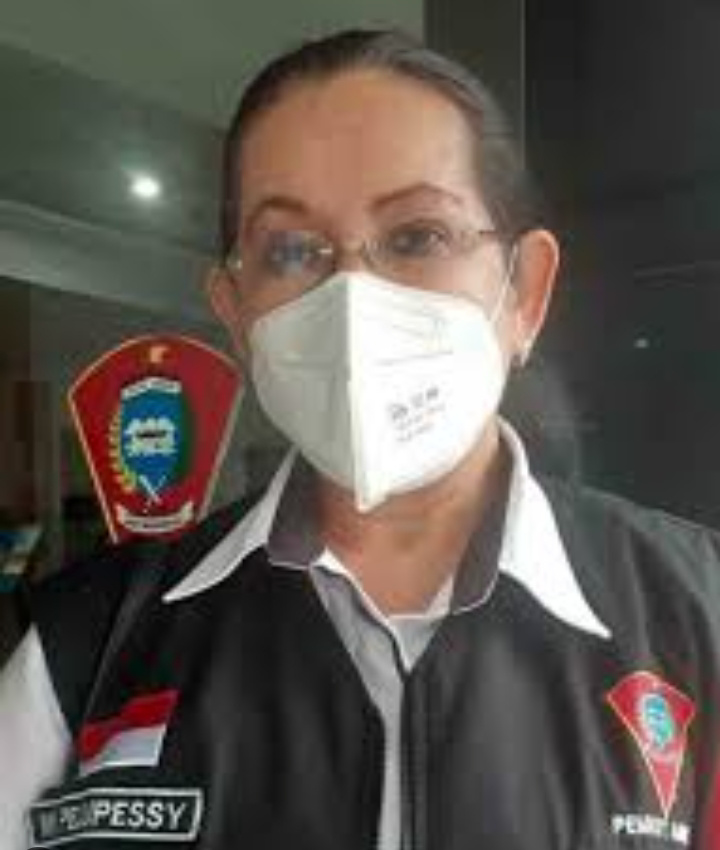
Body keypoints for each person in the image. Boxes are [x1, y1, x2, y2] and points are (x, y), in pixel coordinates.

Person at [1, 28, 720, 850]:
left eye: (418, 237)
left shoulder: (696, 615)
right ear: (236, 313)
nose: (351, 301)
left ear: (524, 291)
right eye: (290, 250)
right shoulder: (86, 647)